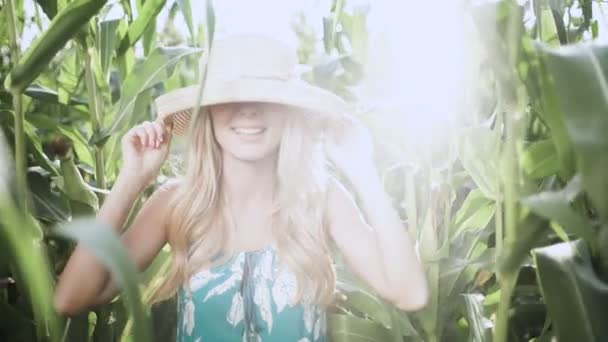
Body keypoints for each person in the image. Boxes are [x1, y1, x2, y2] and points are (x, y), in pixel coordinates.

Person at [54, 34, 428, 342]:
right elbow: (72, 299)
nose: (249, 111)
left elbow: (410, 293)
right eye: (231, 98)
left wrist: (363, 172)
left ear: (288, 111)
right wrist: (131, 180)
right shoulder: (176, 203)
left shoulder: (320, 199)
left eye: (266, 99)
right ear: (209, 111)